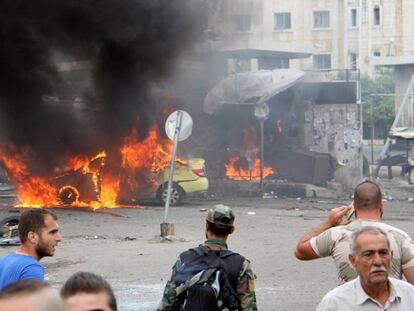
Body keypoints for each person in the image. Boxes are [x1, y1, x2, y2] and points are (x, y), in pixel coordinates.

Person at [295, 180, 414, 284]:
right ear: (381, 206)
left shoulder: (337, 234)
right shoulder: (401, 238)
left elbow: (300, 251)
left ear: (353, 207)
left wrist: (329, 223)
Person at [157, 204, 257, 311]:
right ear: (232, 230)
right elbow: (249, 307)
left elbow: (167, 302)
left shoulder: (185, 258)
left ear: (206, 226)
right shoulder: (241, 264)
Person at [316, 226, 414, 310]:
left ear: (391, 256)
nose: (378, 261)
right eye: (368, 254)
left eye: (383, 253)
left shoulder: (409, 295)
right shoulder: (335, 303)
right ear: (353, 260)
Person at [0, 209, 62, 291]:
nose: (59, 238)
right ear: (32, 237)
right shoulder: (31, 268)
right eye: (52, 232)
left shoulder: (6, 260)